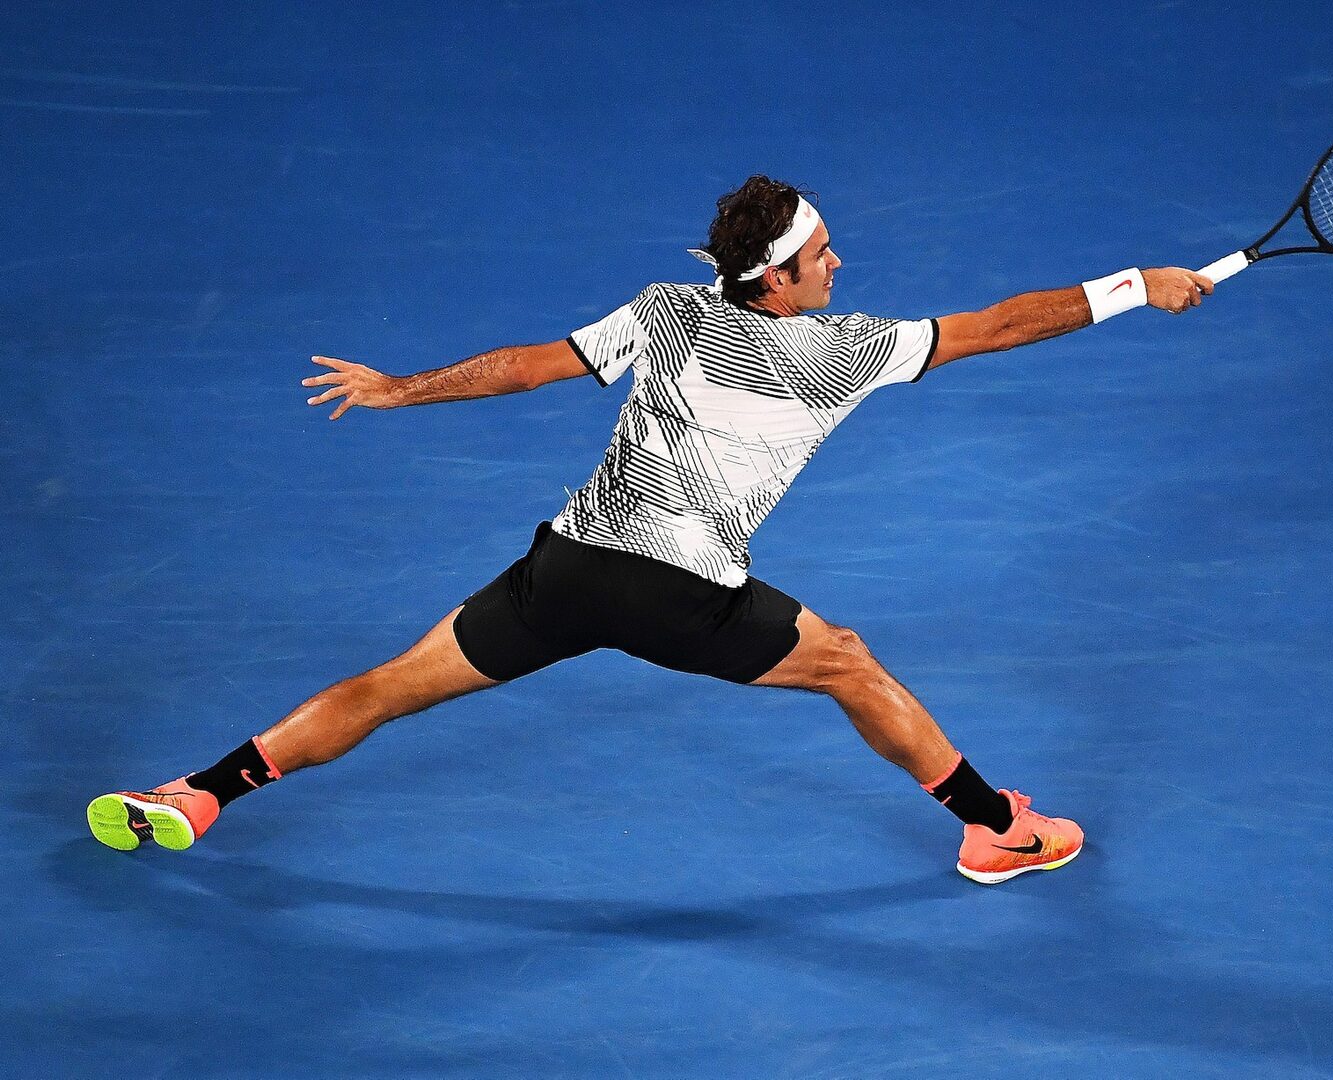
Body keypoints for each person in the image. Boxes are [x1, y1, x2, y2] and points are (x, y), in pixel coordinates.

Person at [87, 175, 1212, 885]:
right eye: (822, 254)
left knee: (386, 687)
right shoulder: (846, 350)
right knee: (850, 666)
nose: (839, 264)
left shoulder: (665, 311)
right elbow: (1001, 325)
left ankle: (203, 790)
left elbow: (526, 366)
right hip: (685, 598)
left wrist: (400, 388)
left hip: (565, 575)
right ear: (777, 280)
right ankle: (992, 828)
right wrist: (1136, 286)